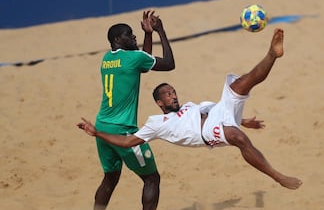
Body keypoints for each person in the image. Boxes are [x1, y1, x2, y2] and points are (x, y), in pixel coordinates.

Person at [78, 28, 302, 191]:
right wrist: (96, 133)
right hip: (206, 133)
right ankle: (278, 177)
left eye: (173, 91)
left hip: (218, 115)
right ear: (159, 103)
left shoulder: (189, 106)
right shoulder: (157, 123)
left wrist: (243, 120)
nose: (173, 95)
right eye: (167, 94)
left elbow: (217, 109)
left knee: (240, 83)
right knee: (235, 136)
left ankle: (272, 54)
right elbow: (128, 142)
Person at [89, 11, 175, 210]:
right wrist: (159, 31)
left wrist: (147, 35)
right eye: (129, 35)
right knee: (151, 178)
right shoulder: (133, 58)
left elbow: (142, 64)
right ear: (117, 39)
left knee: (110, 178)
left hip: (102, 126)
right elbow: (169, 64)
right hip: (123, 130)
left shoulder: (107, 59)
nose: (133, 37)